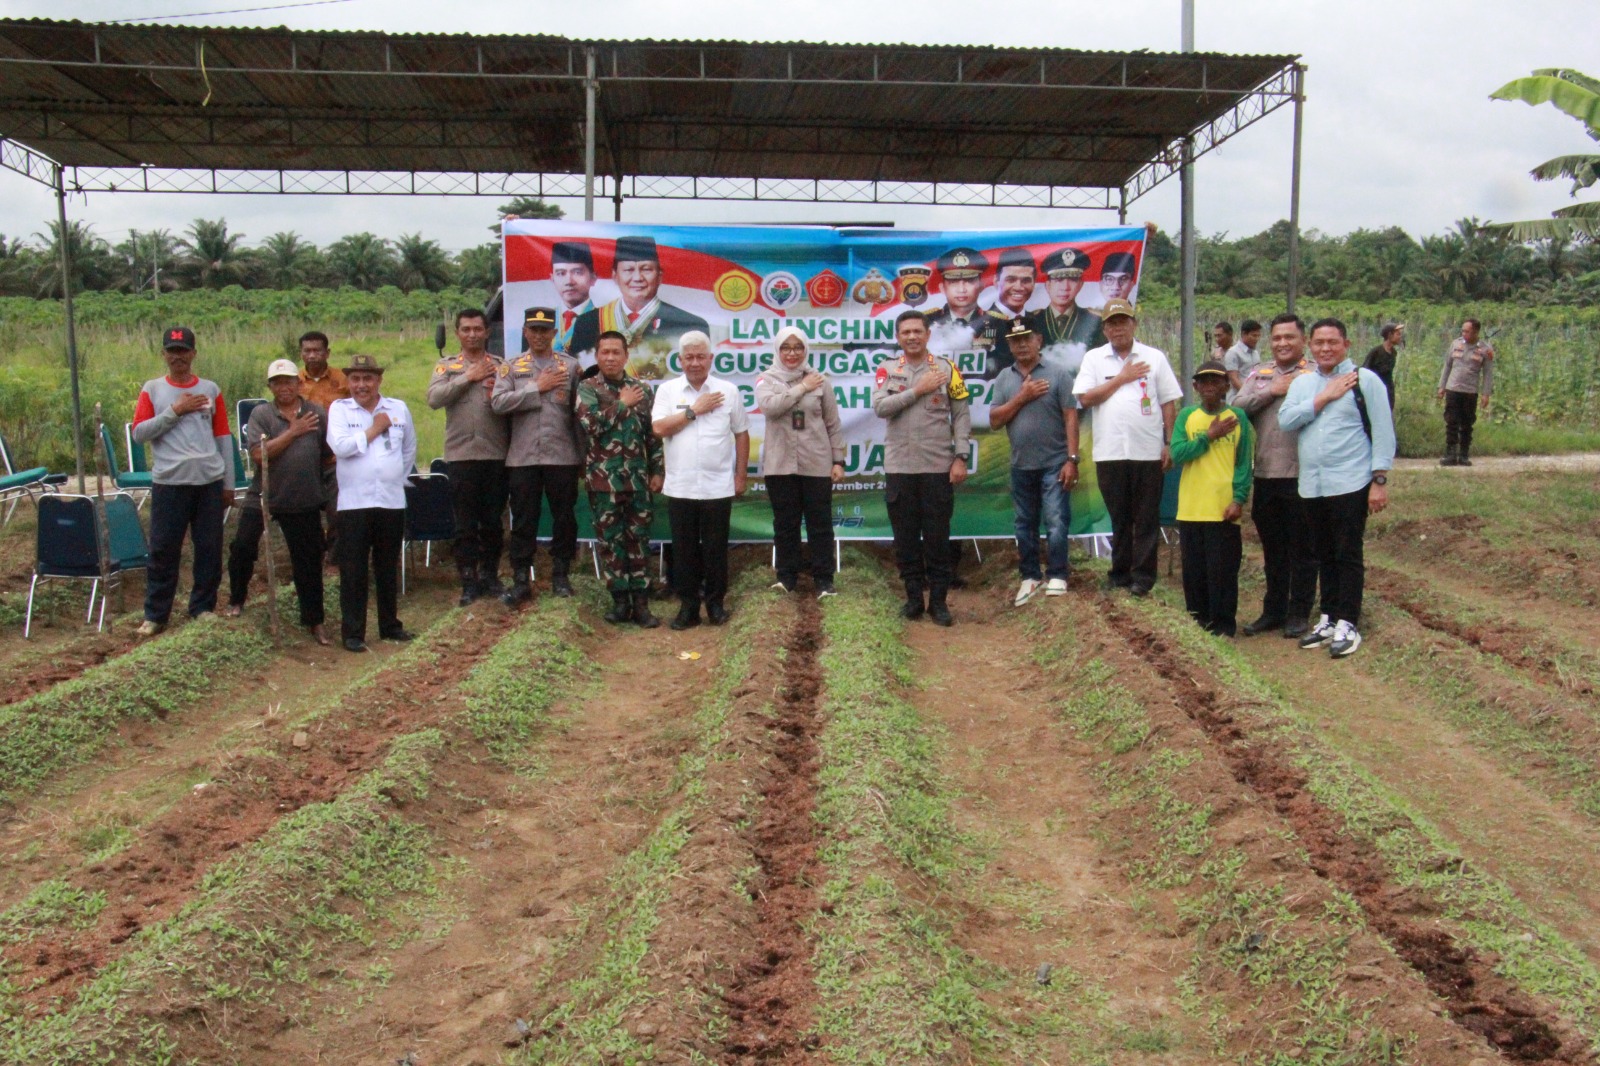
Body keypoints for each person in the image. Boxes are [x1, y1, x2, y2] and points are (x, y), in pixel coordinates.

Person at [1278, 317, 1395, 659]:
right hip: (1313, 484)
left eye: (1333, 342)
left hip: (1351, 481)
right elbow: (1286, 421)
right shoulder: (1302, 384)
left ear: (1346, 344)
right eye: (1319, 343)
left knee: (1347, 553)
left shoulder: (1364, 381)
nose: (1326, 348)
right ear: (1310, 347)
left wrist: (1379, 481)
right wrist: (1323, 398)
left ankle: (1348, 621)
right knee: (1323, 552)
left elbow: (1384, 432)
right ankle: (1328, 617)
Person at [1073, 298, 1181, 597]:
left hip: (1148, 451)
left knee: (1146, 517)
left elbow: (1168, 401)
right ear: (1104, 328)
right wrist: (1121, 379)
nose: (1118, 328)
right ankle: (1119, 573)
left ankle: (1143, 578)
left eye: (1123, 321)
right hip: (1109, 453)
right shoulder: (1094, 359)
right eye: (1112, 323)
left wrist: (1169, 442)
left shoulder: (1154, 357)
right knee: (1119, 516)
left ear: (1133, 324)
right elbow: (1085, 398)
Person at [132, 326, 236, 637]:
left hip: (208, 481)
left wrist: (228, 482)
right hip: (170, 482)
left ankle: (202, 607)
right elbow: (140, 433)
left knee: (209, 547)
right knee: (164, 548)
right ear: (163, 354)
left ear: (193, 353)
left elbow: (222, 437)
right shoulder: (152, 390)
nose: (178, 357)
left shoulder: (210, 389)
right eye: (172, 351)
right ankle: (156, 614)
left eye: (183, 351)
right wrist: (175, 411)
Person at [871, 310, 971, 626]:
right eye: (906, 332)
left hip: (937, 467)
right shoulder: (887, 370)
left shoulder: (947, 369)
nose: (912, 337)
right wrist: (918, 389)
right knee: (905, 539)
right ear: (898, 337)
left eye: (918, 331)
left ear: (928, 334)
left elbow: (962, 415)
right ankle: (914, 599)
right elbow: (880, 407)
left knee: (938, 538)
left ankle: (939, 603)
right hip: (900, 468)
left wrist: (961, 457)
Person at [224, 359, 332, 644]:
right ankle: (236, 600)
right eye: (277, 382)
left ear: (299, 384)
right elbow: (260, 455)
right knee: (243, 547)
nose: (284, 387)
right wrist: (293, 432)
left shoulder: (316, 413)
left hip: (303, 498)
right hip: (263, 494)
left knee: (308, 560)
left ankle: (314, 620)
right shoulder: (262, 414)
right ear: (270, 386)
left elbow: (326, 453)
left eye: (289, 381)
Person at [652, 331, 750, 629]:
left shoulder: (728, 391)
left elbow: (742, 433)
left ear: (711, 359)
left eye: (700, 357)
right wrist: (694, 411)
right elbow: (659, 428)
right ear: (680, 360)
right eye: (689, 357)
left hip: (717, 485)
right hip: (680, 485)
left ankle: (716, 605)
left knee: (716, 548)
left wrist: (740, 474)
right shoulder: (668, 391)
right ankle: (688, 607)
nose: (695, 363)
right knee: (684, 550)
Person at [491, 306, 583, 605]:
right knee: (524, 519)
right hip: (523, 457)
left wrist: (582, 457)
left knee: (564, 519)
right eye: (534, 330)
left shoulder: (570, 367)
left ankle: (561, 574)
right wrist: (536, 388)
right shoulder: (511, 366)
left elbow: (578, 413)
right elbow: (498, 403)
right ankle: (520, 578)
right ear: (525, 332)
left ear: (554, 333)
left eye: (545, 330)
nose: (540, 336)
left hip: (562, 455)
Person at [1234, 313, 1319, 639]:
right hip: (1267, 474)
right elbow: (1238, 407)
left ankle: (1299, 612)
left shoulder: (1313, 373)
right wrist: (1272, 390)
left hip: (1303, 475)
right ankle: (1273, 610)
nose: (1283, 343)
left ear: (1303, 341)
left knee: (1303, 549)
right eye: (1278, 338)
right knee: (1273, 549)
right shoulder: (1261, 374)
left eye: (1290, 338)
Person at [326, 353, 417, 653]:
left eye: (367, 378)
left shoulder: (398, 408)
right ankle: (353, 633)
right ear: (348, 382)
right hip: (354, 502)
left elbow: (408, 451)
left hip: (391, 501)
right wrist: (375, 429)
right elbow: (341, 447)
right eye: (355, 379)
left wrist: (393, 478)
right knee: (353, 569)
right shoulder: (340, 410)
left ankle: (390, 626)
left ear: (379, 380)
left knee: (387, 567)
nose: (361, 385)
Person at [988, 317, 1080, 606]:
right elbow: (994, 420)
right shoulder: (1005, 378)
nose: (1022, 344)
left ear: (1039, 340)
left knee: (1055, 520)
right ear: (1010, 345)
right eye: (1016, 340)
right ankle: (1030, 576)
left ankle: (1057, 575)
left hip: (1055, 462)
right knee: (1024, 524)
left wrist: (1072, 460)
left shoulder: (1059, 374)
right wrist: (1022, 396)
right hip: (1020, 464)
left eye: (1027, 338)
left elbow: (1071, 417)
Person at [578, 330, 665, 627]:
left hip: (638, 481)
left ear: (626, 356)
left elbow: (653, 436)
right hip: (604, 483)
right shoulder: (588, 388)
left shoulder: (642, 390)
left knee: (638, 542)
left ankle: (641, 604)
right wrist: (621, 404)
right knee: (611, 544)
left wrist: (657, 471)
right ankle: (619, 603)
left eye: (617, 352)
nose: (611, 357)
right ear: (597, 356)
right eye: (605, 352)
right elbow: (590, 425)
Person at [426, 307, 510, 605]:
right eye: (466, 329)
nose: (472, 334)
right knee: (464, 525)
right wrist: (468, 378)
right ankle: (468, 581)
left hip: (496, 455)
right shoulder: (446, 366)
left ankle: (490, 576)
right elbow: (434, 399)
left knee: (492, 522)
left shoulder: (502, 366)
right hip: (461, 456)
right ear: (458, 333)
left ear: (487, 332)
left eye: (478, 329)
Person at [755, 326, 845, 597]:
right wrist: (801, 388)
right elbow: (770, 407)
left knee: (820, 523)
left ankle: (824, 580)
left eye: (797, 347)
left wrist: (838, 460)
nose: (791, 353)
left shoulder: (820, 381)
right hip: (779, 465)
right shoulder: (766, 380)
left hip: (816, 463)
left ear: (805, 350)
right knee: (785, 524)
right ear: (777, 350)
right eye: (786, 347)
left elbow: (832, 422)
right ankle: (786, 577)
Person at [1170, 361, 1254, 637]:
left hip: (1223, 509)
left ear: (1226, 386)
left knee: (1223, 572)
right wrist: (1209, 436)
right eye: (1203, 382)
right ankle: (1198, 626)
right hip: (1191, 509)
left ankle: (1224, 627)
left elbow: (1244, 463)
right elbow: (1178, 454)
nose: (1209, 387)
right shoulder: (1187, 416)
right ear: (1194, 387)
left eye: (1215, 382)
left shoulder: (1238, 417)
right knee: (1194, 573)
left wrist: (1238, 499)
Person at [569, 236, 709, 357]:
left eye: (646, 269)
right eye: (628, 270)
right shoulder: (588, 323)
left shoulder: (689, 325)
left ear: (660, 276)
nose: (637, 278)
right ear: (615, 276)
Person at [296, 330, 348, 563]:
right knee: (306, 512)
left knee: (337, 511)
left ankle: (335, 558)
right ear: (301, 354)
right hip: (304, 456)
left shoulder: (343, 380)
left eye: (317, 350)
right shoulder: (293, 381)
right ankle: (313, 556)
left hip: (336, 458)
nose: (312, 355)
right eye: (307, 351)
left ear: (327, 353)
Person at [925, 246, 1006, 378]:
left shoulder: (998, 323)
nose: (961, 289)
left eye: (969, 281)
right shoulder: (926, 321)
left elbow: (1006, 366)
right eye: (953, 282)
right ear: (942, 288)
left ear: (981, 285)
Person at [1437, 318, 1494, 467]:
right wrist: (1441, 386)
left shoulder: (1485, 349)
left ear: (1475, 332)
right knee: (1451, 421)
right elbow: (1447, 366)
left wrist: (1486, 394)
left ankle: (1463, 454)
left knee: (1467, 423)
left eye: (1467, 331)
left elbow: (1488, 373)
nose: (1463, 333)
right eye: (1462, 330)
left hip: (1470, 392)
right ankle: (1450, 454)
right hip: (1453, 389)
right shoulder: (1455, 344)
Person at [1027, 247, 1104, 354]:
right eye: (1058, 280)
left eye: (1072, 279)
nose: (1065, 287)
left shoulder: (1095, 320)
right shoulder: (1031, 320)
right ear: (1048, 285)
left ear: (1081, 285)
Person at [549, 241, 597, 354]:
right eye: (561, 273)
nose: (569, 281)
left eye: (577, 272)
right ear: (552, 279)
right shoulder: (544, 321)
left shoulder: (604, 320)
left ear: (593, 278)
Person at [987, 247, 1038, 320]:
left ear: (1033, 284)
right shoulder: (980, 324)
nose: (1018, 287)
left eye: (1026, 281)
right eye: (1011, 280)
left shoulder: (1040, 322)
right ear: (996, 282)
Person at [1364, 322, 1403, 414]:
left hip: (1388, 391)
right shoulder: (1376, 352)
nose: (1400, 337)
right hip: (1375, 392)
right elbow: (1364, 371)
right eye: (1397, 334)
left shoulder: (1393, 353)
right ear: (1389, 335)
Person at [1223, 319, 1262, 403]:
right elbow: (1233, 379)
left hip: (1252, 398)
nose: (1256, 339)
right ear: (1244, 334)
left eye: (1258, 336)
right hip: (1236, 398)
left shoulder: (1255, 353)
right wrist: (1246, 395)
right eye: (1254, 335)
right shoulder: (1233, 353)